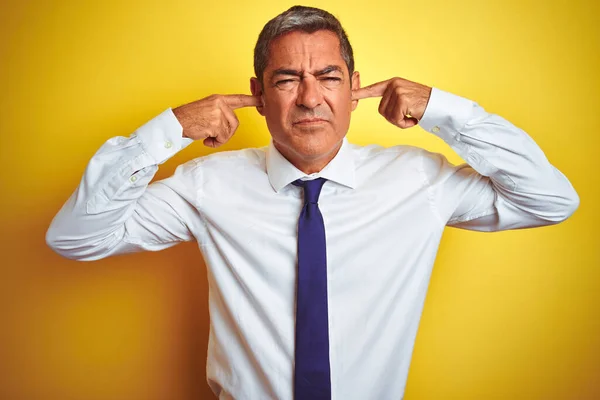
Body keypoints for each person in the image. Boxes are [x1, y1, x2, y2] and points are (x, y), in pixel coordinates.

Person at [46, 5, 579, 400]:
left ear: (354, 88)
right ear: (258, 95)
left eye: (328, 77)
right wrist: (167, 130)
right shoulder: (206, 186)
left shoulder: (419, 182)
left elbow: (551, 199)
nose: (309, 97)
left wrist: (444, 111)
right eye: (287, 79)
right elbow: (76, 237)